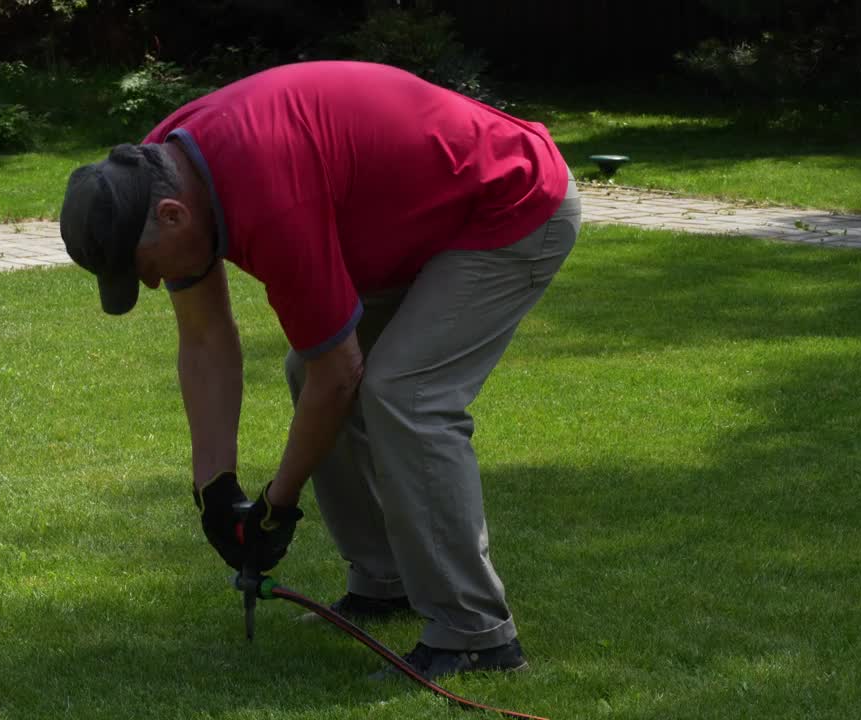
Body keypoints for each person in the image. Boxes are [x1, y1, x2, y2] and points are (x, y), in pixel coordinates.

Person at [59, 61, 580, 680]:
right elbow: (204, 339)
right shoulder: (157, 172)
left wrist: (278, 505)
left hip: (510, 202)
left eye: (141, 266)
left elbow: (342, 375)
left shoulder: (268, 196)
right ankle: (382, 582)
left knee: (404, 394)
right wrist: (216, 490)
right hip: (419, 224)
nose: (148, 281)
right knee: (311, 376)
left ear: (173, 217)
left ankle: (476, 636)